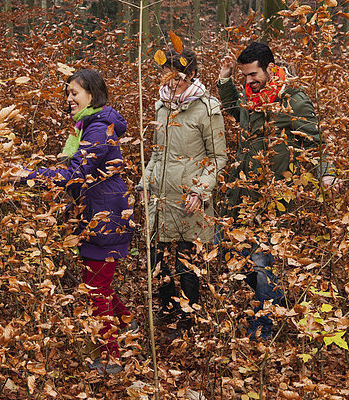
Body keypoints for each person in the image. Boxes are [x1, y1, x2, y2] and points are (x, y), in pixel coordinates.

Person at [11, 69, 134, 374]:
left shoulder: (98, 127)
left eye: (74, 93)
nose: (68, 99)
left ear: (92, 94)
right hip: (97, 213)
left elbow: (76, 173)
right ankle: (127, 325)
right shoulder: (87, 125)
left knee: (96, 289)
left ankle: (111, 358)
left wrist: (29, 175)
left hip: (104, 217)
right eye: (67, 93)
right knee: (98, 283)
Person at [217, 42, 336, 340]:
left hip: (273, 197)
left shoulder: (293, 101)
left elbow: (315, 142)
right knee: (231, 252)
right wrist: (224, 78)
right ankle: (280, 299)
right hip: (242, 197)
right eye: (244, 76)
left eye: (253, 74)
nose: (248, 81)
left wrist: (327, 173)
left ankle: (262, 329)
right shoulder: (250, 96)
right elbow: (234, 111)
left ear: (271, 68)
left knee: (261, 263)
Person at [138, 49, 227, 331]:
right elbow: (155, 153)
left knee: (187, 262)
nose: (171, 84)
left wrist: (200, 190)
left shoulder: (208, 108)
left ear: (191, 76)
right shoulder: (161, 107)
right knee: (157, 259)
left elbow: (217, 157)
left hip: (191, 200)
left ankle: (191, 319)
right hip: (161, 197)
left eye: (177, 79)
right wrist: (144, 184)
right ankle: (167, 310)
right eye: (167, 78)